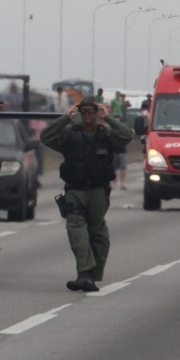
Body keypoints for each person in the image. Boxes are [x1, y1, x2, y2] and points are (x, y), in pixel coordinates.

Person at [40, 96, 132, 293]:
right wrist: (65, 118)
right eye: (85, 112)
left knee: (98, 234)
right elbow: (46, 137)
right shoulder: (69, 134)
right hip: (75, 190)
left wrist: (108, 118)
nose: (88, 116)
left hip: (98, 192)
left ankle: (92, 274)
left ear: (97, 113)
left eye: (92, 112)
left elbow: (125, 136)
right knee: (76, 228)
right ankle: (84, 273)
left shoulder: (106, 135)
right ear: (80, 113)